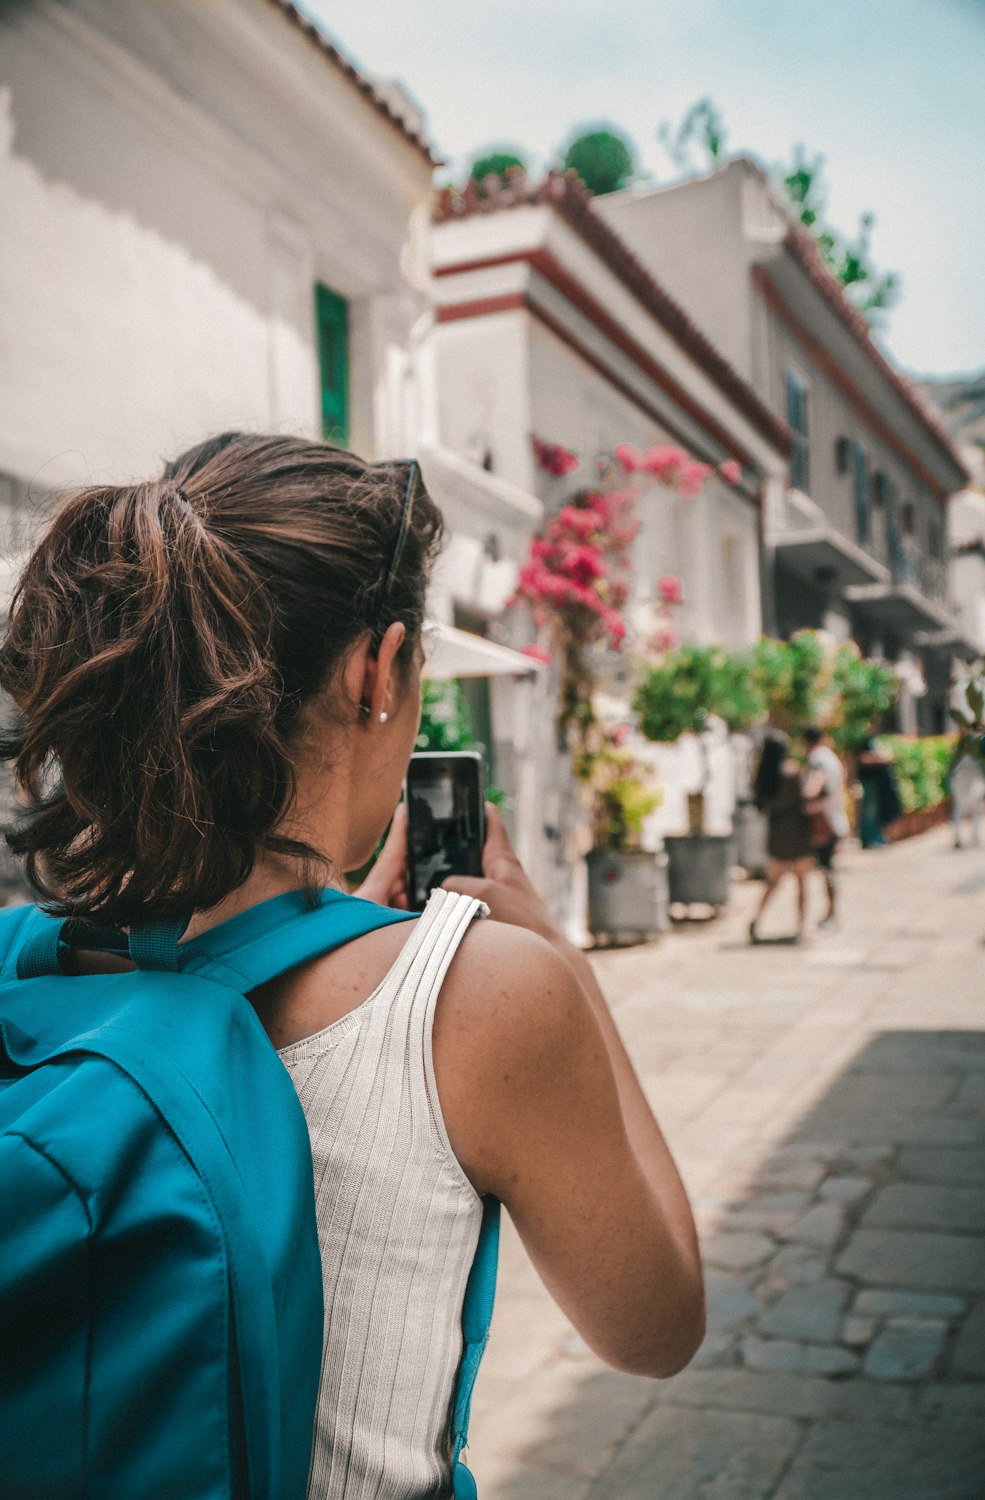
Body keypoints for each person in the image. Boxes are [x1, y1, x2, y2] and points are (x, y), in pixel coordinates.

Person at [0, 433, 704, 1499]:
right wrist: (557, 960)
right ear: (375, 672)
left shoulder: (29, 967)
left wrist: (348, 927)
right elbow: (657, 1325)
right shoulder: (492, 997)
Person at [749, 730, 814, 943]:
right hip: (797, 830)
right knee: (802, 882)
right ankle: (802, 926)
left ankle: (756, 920)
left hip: (776, 830)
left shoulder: (762, 777)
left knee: (773, 882)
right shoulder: (792, 772)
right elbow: (804, 799)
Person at [802, 725, 849, 929]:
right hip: (835, 819)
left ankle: (832, 914)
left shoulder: (818, 758)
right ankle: (832, 913)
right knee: (828, 869)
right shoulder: (831, 757)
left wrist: (803, 795)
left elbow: (815, 786)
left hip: (825, 823)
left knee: (827, 869)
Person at [857, 734, 902, 848]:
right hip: (869, 780)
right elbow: (862, 758)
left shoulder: (873, 738)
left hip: (876, 781)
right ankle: (869, 839)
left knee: (875, 810)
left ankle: (876, 836)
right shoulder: (862, 738)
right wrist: (882, 759)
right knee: (869, 811)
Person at [950, 747, 985, 849]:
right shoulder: (975, 761)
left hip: (964, 794)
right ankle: (972, 837)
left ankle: (960, 838)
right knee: (973, 815)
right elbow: (981, 780)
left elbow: (953, 781)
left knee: (958, 815)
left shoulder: (957, 763)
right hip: (970, 794)